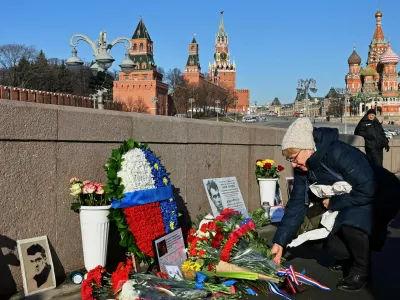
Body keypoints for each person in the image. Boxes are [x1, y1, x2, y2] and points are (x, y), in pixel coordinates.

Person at [270, 118, 376, 292]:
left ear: (307, 147)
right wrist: (279, 242)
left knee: (352, 223)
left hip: (370, 197)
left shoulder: (338, 153)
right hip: (342, 201)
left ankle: (361, 270)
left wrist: (333, 202)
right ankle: (347, 257)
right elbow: (296, 204)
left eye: (294, 158)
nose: (294, 164)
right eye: (289, 160)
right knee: (328, 243)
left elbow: (367, 189)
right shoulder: (303, 168)